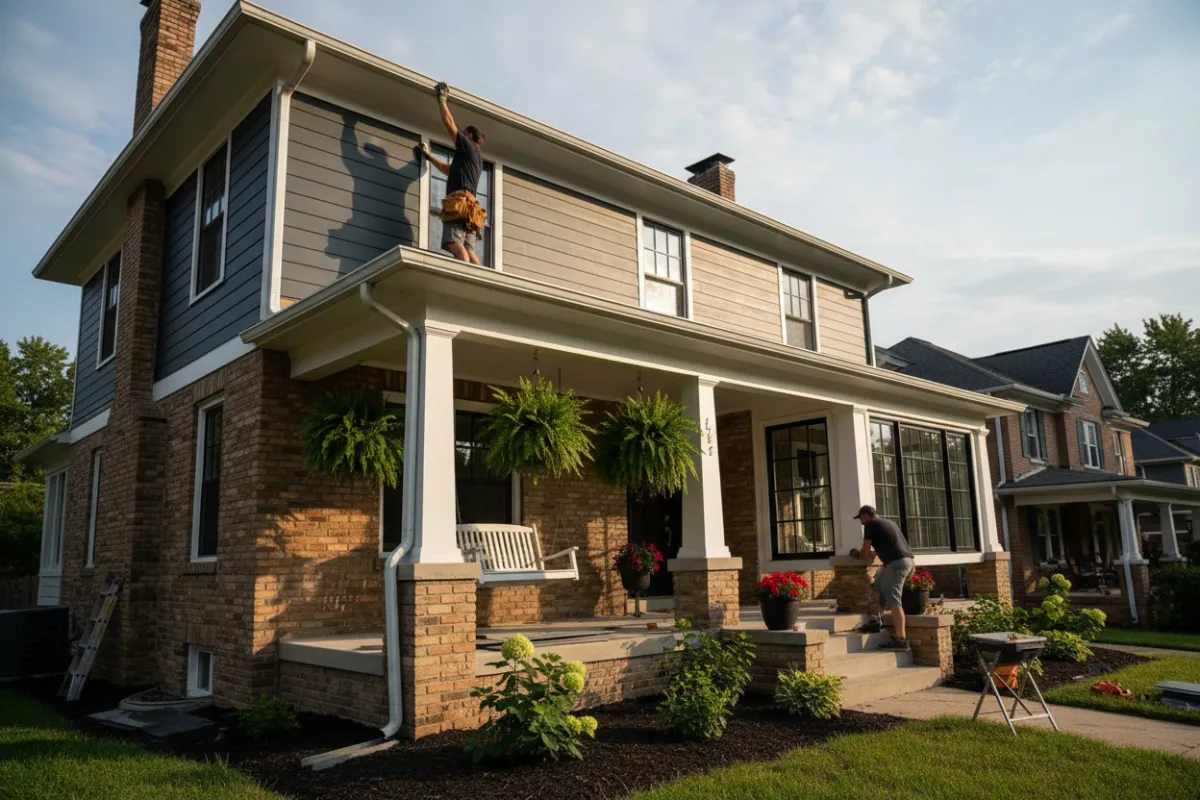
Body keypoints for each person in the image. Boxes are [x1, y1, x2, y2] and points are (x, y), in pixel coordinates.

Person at [418, 82, 486, 264]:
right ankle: (478, 278)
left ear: (469, 136)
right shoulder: (476, 159)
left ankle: (462, 273)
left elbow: (448, 123)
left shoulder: (467, 146)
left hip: (459, 203)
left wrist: (442, 99)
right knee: (469, 250)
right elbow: (448, 170)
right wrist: (429, 156)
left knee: (454, 243)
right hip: (471, 209)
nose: (460, 135)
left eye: (464, 133)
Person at [849, 505, 914, 651]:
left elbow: (865, 553)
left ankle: (901, 640)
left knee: (894, 602)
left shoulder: (870, 525)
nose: (861, 522)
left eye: (860, 518)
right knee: (877, 587)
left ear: (865, 515)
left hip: (896, 564)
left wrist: (856, 554)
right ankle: (876, 621)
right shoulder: (888, 522)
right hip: (908, 562)